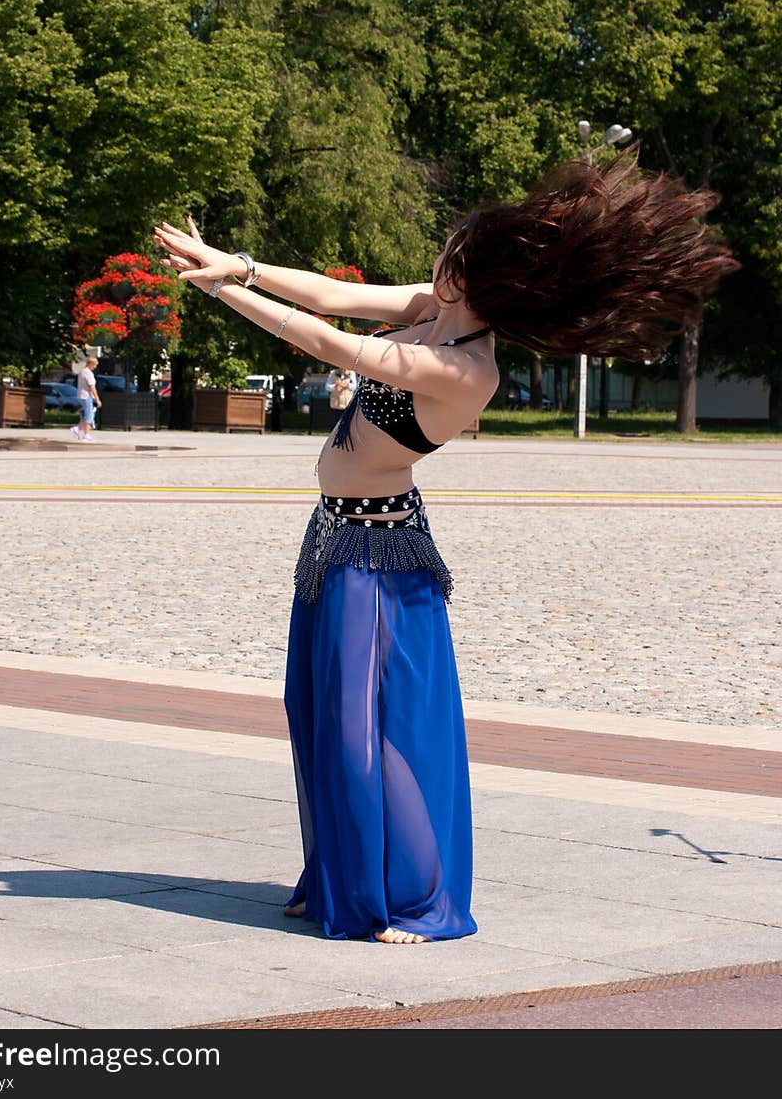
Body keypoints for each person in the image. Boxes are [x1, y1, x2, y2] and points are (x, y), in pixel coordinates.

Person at [154, 150, 739, 944]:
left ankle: (420, 900)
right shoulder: (434, 307)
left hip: (379, 555)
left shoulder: (466, 368)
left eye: (453, 252)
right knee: (317, 709)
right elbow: (330, 293)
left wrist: (229, 293)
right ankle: (338, 873)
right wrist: (241, 263)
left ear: (477, 277)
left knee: (374, 729)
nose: (441, 256)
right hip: (334, 538)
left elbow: (336, 344)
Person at [71, 356, 101, 442]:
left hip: (80, 395)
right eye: (94, 365)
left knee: (85, 414)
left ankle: (77, 428)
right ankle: (86, 435)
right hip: (87, 396)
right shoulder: (88, 373)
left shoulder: (82, 372)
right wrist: (97, 399)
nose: (95, 367)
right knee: (89, 415)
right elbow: (92, 387)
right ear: (90, 363)